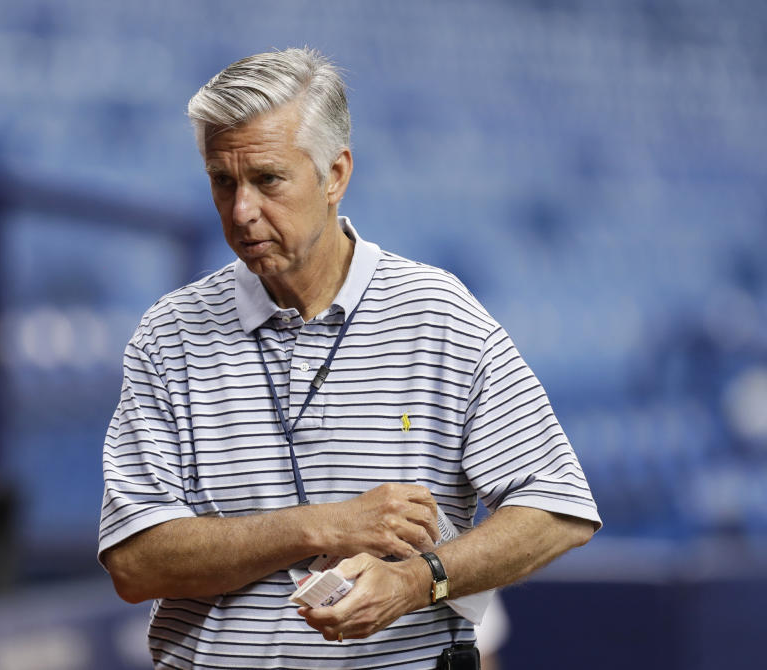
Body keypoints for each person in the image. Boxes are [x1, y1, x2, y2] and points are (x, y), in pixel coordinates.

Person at [99, 47, 601, 670]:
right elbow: (134, 562)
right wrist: (322, 525)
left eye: (267, 179)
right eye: (221, 182)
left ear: (335, 174)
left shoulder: (436, 313)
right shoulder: (168, 334)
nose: (241, 211)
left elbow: (558, 510)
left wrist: (420, 579)